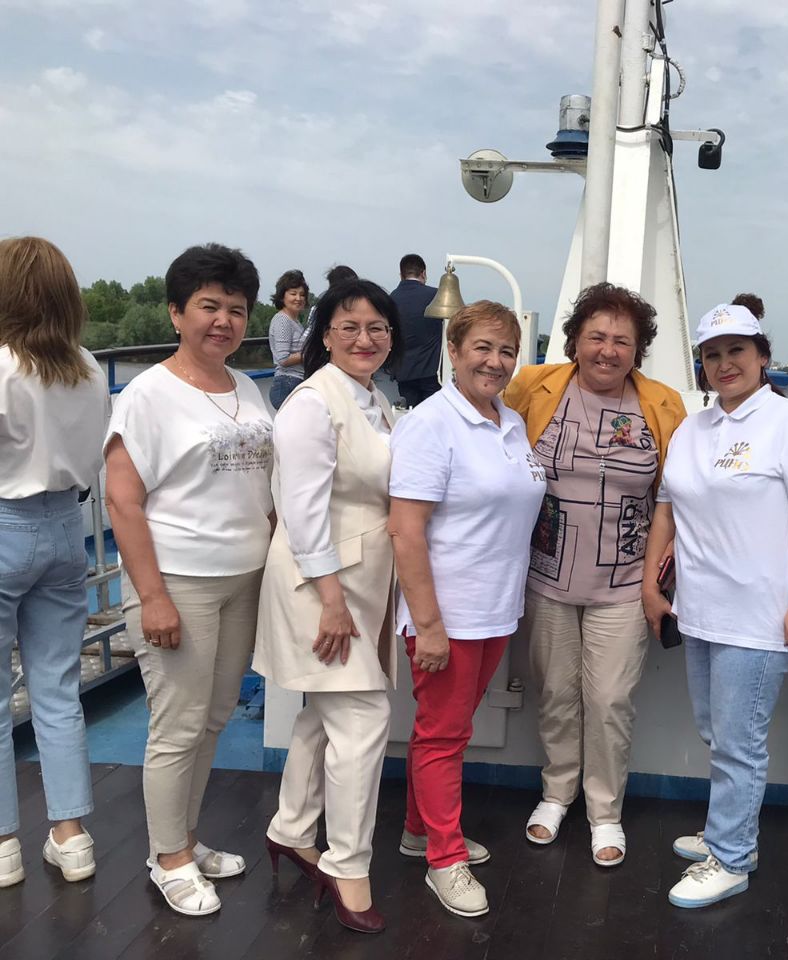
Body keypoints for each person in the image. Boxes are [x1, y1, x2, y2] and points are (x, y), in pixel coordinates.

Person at [642, 304, 788, 909]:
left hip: (759, 614)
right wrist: (652, 585)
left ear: (762, 356)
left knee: (738, 740)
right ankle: (731, 834)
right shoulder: (694, 429)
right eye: (712, 354)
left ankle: (730, 858)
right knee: (716, 730)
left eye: (737, 351)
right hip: (699, 607)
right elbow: (667, 508)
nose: (725, 363)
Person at [104, 243, 273, 917]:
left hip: (244, 577)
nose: (223, 321)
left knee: (213, 719)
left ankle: (185, 838)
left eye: (236, 309)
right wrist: (153, 597)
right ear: (177, 313)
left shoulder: (246, 387)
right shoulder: (148, 395)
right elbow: (123, 501)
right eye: (208, 306)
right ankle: (167, 858)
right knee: (177, 726)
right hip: (180, 579)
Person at [503, 282, 684, 866]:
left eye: (622, 341)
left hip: (626, 584)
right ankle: (557, 792)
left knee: (609, 701)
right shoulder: (533, 388)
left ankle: (605, 811)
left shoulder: (663, 405)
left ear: (637, 350)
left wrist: (658, 583)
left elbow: (676, 498)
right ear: (575, 341)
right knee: (556, 692)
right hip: (546, 576)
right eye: (596, 337)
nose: (608, 350)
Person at [387, 301, 546, 918]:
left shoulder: (509, 421)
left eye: (506, 351)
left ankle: (418, 831)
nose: (495, 361)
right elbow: (406, 531)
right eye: (482, 347)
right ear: (453, 351)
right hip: (447, 614)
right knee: (443, 735)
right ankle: (444, 859)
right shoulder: (432, 424)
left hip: (494, 608)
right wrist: (428, 625)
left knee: (445, 730)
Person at [253, 279, 402, 934]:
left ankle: (290, 828)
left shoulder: (375, 400)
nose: (364, 339)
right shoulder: (312, 404)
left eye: (377, 327)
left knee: (325, 712)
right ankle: (348, 865)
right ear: (325, 336)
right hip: (322, 587)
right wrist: (333, 601)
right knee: (364, 717)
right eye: (349, 327)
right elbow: (302, 513)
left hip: (360, 584)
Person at [0, 237, 110, 889]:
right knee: (57, 687)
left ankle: (3, 846)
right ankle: (71, 838)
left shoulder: (1, 365)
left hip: (5, 522)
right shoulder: (89, 368)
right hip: (66, 527)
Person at [389, 254, 441, 407]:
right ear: (423, 273)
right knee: (433, 413)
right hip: (431, 370)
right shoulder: (436, 296)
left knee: (410, 413)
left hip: (403, 371)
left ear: (401, 275)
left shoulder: (391, 299)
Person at [267, 269, 309, 409]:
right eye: (293, 293)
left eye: (302, 294)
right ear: (282, 297)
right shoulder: (282, 320)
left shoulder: (295, 322)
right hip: (287, 384)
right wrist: (310, 353)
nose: (298, 298)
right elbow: (283, 359)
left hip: (296, 382)